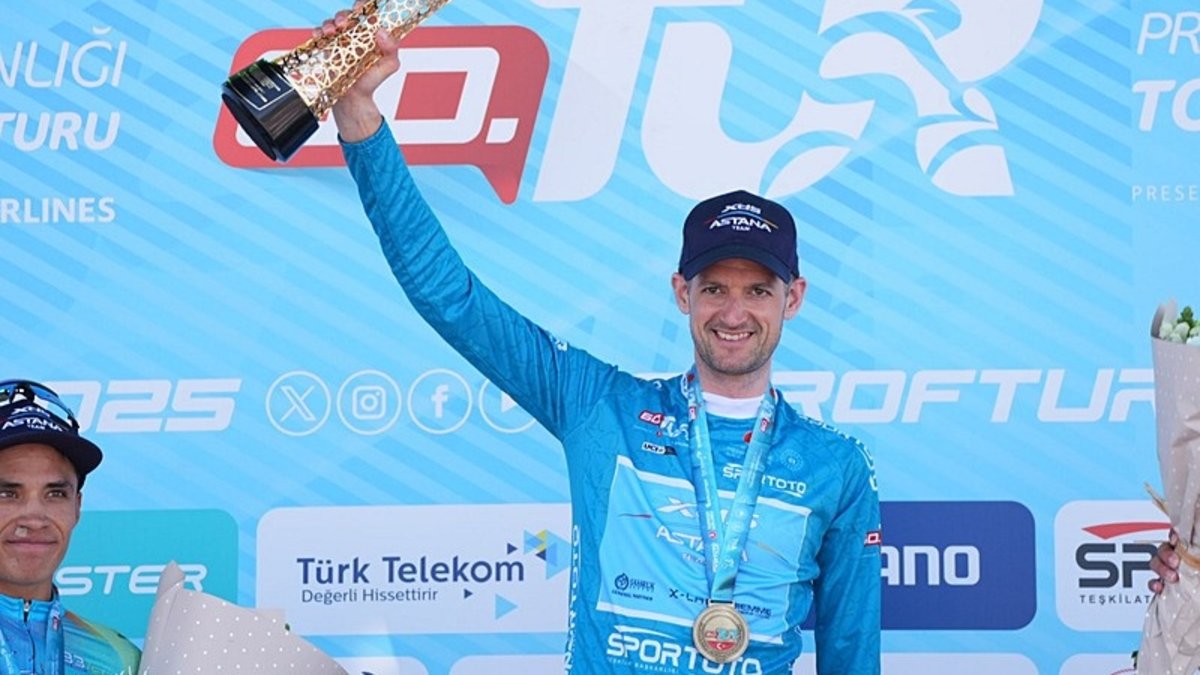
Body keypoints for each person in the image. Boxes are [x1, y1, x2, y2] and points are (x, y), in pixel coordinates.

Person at [320, 12, 881, 675]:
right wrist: (358, 116)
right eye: (714, 288)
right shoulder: (598, 404)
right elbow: (450, 297)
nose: (734, 313)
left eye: (758, 290)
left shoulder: (835, 464)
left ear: (794, 297)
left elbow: (851, 653)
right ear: (682, 292)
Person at [0, 380, 141, 674]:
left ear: (76, 507)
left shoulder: (119, 660)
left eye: (55, 493)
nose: (34, 518)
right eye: (7, 493)